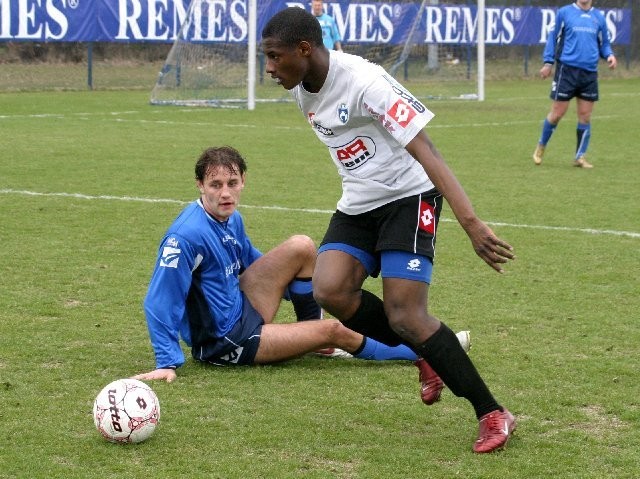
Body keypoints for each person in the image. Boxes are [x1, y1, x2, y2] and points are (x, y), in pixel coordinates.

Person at [261, 7, 516, 453]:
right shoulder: (301, 90)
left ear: (304, 49)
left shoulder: (366, 83)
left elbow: (428, 151)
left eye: (274, 56)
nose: (268, 68)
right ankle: (424, 353)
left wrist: (471, 223)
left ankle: (492, 411)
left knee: (407, 316)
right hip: (359, 204)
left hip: (410, 198)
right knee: (330, 290)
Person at [132, 146, 447, 385]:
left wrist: (287, 283)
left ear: (243, 181)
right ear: (200, 185)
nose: (225, 193)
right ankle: (425, 350)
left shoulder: (231, 217)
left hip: (241, 306)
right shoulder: (184, 237)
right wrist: (166, 362)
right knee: (333, 330)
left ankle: (312, 338)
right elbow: (160, 300)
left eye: (232, 182)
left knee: (302, 247)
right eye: (215, 184)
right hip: (224, 341)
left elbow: (251, 261)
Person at [533, 0, 616, 168]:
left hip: (589, 73)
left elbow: (604, 44)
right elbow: (553, 37)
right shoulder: (564, 13)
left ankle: (580, 157)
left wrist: (609, 55)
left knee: (585, 115)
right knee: (557, 113)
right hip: (567, 71)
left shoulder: (598, 17)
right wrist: (548, 63)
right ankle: (541, 145)